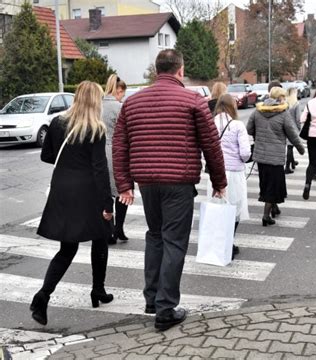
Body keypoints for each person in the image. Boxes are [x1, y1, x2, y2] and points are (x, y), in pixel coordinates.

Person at [113, 49, 227, 331]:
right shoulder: (193, 100)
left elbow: (120, 145)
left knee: (155, 236)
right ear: (180, 70)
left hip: (147, 182)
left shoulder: (132, 102)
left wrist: (125, 183)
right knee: (174, 241)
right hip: (178, 182)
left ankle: (152, 299)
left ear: (156, 70)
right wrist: (219, 181)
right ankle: (165, 309)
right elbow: (211, 144)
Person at [31, 81, 114, 326]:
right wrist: (108, 205)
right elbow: (100, 170)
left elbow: (47, 155)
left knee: (67, 248)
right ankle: (97, 290)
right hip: (88, 192)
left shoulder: (57, 122)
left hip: (62, 190)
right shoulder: (96, 129)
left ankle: (42, 296)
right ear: (95, 101)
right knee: (100, 237)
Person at [247, 86, 305, 226]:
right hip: (275, 156)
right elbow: (292, 134)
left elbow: (249, 129)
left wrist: (258, 134)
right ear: (279, 98)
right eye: (283, 97)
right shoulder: (283, 114)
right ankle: (266, 216)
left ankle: (274, 208)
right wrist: (301, 148)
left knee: (266, 183)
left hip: (261, 155)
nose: (284, 99)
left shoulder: (257, 111)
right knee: (274, 186)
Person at [206, 94, 251, 259]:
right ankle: (229, 242)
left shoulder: (210, 123)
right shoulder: (237, 125)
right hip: (234, 173)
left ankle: (218, 243)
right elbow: (245, 153)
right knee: (234, 209)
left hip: (215, 173)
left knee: (218, 209)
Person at [103, 74, 128, 244]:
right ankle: (118, 228)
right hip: (115, 151)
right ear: (118, 91)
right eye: (122, 94)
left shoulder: (96, 106)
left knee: (105, 192)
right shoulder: (119, 108)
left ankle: (109, 228)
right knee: (122, 191)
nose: (122, 97)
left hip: (97, 152)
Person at [284, 87, 301, 174]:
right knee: (290, 147)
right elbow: (298, 119)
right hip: (293, 127)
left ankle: (293, 163)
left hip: (284, 127)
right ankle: (287, 167)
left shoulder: (284, 103)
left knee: (289, 146)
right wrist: (299, 128)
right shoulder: (296, 104)